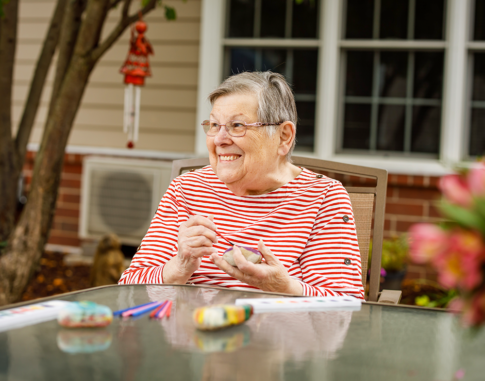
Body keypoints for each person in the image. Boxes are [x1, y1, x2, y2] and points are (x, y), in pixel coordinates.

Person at [119, 71, 364, 299]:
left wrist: (286, 288)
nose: (219, 139)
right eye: (214, 125)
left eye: (237, 126)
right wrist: (178, 266)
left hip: (279, 341)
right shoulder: (186, 189)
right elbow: (129, 291)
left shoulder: (322, 197)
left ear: (283, 136)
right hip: (195, 338)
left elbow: (346, 307)